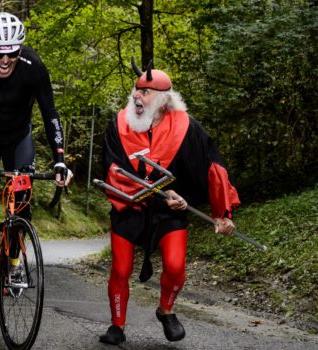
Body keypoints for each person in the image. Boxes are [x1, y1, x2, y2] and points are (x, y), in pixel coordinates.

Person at [98, 60, 240, 344]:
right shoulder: (119, 125)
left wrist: (222, 212)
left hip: (170, 210)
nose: (137, 96)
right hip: (130, 207)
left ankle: (166, 309)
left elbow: (212, 167)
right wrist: (147, 189)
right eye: (136, 90)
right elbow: (111, 169)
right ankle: (117, 325)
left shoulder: (186, 128)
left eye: (145, 93)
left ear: (163, 100)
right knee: (121, 268)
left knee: (175, 266)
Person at [0, 12, 72, 298]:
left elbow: (50, 114)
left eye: (12, 53)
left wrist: (60, 158)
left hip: (19, 136)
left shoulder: (32, 66)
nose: (5, 60)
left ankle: (13, 261)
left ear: (20, 49)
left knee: (22, 200)